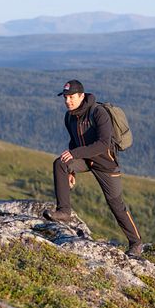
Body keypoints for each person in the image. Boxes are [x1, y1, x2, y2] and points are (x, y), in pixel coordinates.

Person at [43, 80, 145, 257]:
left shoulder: (98, 113)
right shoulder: (69, 117)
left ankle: (136, 243)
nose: (68, 101)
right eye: (65, 97)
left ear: (82, 96)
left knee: (116, 204)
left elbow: (103, 144)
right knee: (60, 163)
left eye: (71, 97)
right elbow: (74, 142)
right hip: (85, 160)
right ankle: (64, 211)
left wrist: (75, 154)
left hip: (105, 164)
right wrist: (72, 169)